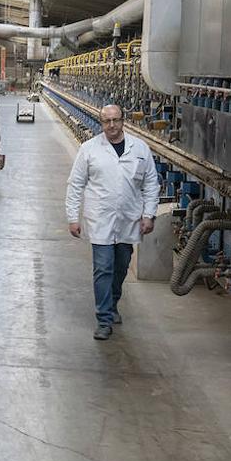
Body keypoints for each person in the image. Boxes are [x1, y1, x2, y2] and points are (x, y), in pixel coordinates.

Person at [64, 104, 160, 341]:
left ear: (123, 120)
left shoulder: (140, 148)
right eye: (106, 121)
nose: (112, 125)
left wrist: (149, 214)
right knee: (103, 268)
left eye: (116, 120)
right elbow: (76, 184)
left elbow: (151, 183)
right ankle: (104, 319)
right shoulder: (89, 149)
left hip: (129, 219)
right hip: (100, 219)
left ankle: (113, 302)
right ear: (101, 123)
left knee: (121, 266)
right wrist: (72, 217)